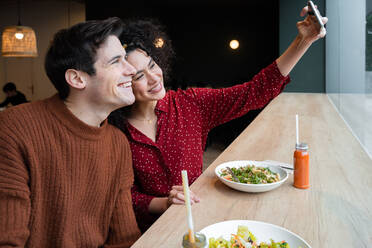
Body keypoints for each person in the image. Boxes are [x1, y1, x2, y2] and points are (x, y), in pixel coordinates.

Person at [109, 6, 328, 232]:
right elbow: (123, 197)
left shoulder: (190, 104)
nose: (154, 78)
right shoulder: (115, 131)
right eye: (139, 76)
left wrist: (304, 41)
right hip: (150, 233)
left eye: (152, 65)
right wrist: (164, 203)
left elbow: (255, 92)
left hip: (198, 220)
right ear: (122, 82)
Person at [0, 17, 141, 247]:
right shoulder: (14, 128)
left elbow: (124, 239)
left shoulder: (118, 143)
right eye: (116, 61)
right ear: (77, 78)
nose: (132, 70)